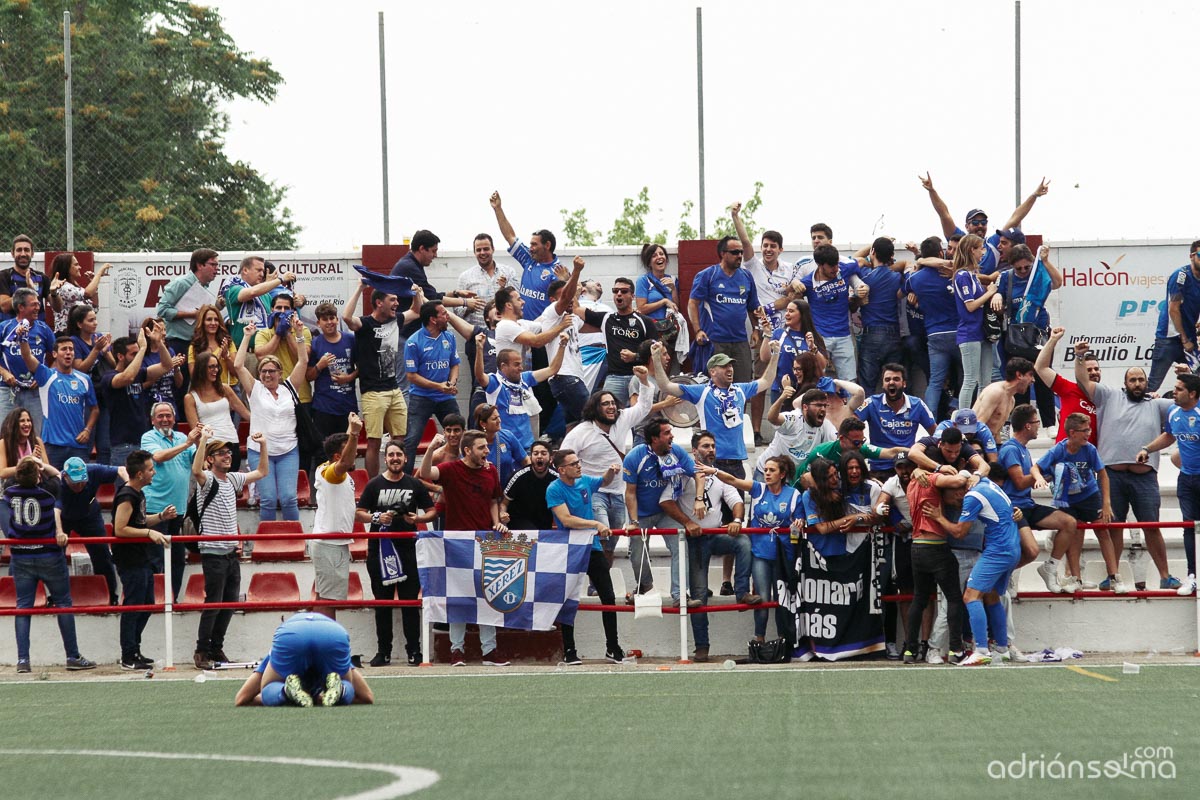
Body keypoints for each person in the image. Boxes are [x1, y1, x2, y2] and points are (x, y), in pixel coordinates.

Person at [419, 429, 510, 667]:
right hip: (456, 543)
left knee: (487, 596)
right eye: (481, 448)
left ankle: (489, 651)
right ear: (467, 450)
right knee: (458, 597)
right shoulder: (450, 470)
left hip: (484, 543)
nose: (487, 452)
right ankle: (456, 650)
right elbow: (425, 473)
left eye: (487, 447)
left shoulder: (491, 470)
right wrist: (430, 448)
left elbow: (493, 500)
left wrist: (496, 522)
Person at [922, 464, 1026, 666]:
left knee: (970, 596)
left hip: (997, 550)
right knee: (993, 596)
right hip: (1012, 549)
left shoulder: (973, 496)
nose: (959, 494)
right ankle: (1002, 648)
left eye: (959, 488)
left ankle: (980, 649)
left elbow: (960, 532)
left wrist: (939, 517)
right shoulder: (991, 485)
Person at [6, 457, 96, 673]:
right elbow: (57, 474)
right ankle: (72, 656)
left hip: (21, 557)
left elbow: (10, 481)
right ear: (38, 475)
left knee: (23, 607)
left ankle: (22, 661)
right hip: (48, 555)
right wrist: (39, 462)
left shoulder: (9, 493)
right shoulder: (50, 490)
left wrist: (26, 465)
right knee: (63, 603)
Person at [190, 427, 269, 669]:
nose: (228, 455)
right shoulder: (208, 478)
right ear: (210, 459)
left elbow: (262, 471)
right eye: (221, 453)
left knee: (229, 602)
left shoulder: (233, 478)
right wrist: (203, 440)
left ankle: (215, 647)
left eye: (229, 452)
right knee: (214, 603)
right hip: (213, 552)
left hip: (229, 552)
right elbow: (195, 470)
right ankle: (202, 651)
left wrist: (263, 445)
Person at [998, 405, 1099, 593]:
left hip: (1026, 505)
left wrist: (1052, 474)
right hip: (1014, 509)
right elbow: (1020, 482)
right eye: (1037, 422)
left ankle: (1050, 568)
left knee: (1069, 522)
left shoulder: (1023, 449)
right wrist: (1050, 474)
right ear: (1028, 426)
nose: (1039, 426)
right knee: (1031, 551)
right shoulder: (1011, 449)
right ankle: (1004, 574)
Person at [559, 369, 656, 565]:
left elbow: (644, 407)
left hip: (619, 493)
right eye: (605, 404)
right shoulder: (580, 432)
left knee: (611, 543)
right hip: (593, 493)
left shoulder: (622, 419)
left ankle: (602, 584)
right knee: (602, 534)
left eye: (613, 403)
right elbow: (562, 458)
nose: (611, 407)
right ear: (595, 409)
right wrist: (573, 488)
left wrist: (644, 381)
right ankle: (598, 583)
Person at [701, 455, 797, 644]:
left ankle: (784, 639)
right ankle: (758, 638)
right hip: (760, 553)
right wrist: (715, 471)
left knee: (782, 598)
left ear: (783, 474)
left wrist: (800, 522)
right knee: (761, 597)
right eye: (766, 470)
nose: (767, 474)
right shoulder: (759, 489)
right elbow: (734, 480)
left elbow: (800, 521)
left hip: (784, 555)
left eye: (772, 470)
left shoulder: (794, 495)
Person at [651, 341, 781, 482]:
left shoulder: (741, 389)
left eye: (730, 365)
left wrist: (775, 355)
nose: (730, 369)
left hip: (737, 462)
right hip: (712, 460)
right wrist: (656, 359)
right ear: (712, 371)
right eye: (724, 366)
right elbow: (666, 386)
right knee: (714, 504)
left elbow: (767, 381)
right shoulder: (702, 391)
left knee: (737, 504)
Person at [356, 440, 433, 667]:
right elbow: (359, 513)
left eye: (399, 454)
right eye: (391, 455)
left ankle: (414, 651)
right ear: (385, 459)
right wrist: (378, 518)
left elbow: (431, 510)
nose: (395, 458)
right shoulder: (373, 484)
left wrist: (417, 519)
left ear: (406, 458)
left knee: (410, 603)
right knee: (383, 603)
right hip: (379, 552)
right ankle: (384, 652)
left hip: (409, 551)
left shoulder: (415, 484)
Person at [546, 449, 626, 665]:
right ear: (561, 469)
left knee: (608, 597)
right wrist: (596, 524)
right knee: (568, 599)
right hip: (570, 549)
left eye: (578, 462)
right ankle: (569, 650)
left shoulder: (585, 482)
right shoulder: (554, 489)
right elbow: (567, 519)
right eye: (573, 464)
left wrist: (611, 471)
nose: (579, 466)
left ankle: (613, 647)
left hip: (593, 547)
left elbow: (604, 481)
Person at [680, 430, 754, 661]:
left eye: (713, 446)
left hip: (714, 535)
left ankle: (741, 591)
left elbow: (736, 502)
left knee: (742, 541)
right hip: (694, 540)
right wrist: (687, 522)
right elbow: (666, 502)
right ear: (694, 451)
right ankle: (702, 646)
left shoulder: (720, 475)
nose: (711, 450)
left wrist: (737, 520)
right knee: (699, 595)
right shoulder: (682, 474)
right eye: (705, 446)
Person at [233, 318, 309, 524]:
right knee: (266, 499)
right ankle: (266, 543)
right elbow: (238, 365)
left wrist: (300, 334)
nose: (267, 374)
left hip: (288, 451)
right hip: (260, 452)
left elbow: (303, 362)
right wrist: (247, 336)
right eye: (263, 371)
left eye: (272, 371)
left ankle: (295, 541)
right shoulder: (255, 390)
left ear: (280, 373)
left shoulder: (289, 388)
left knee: (288, 498)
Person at [621, 417, 703, 606]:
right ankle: (644, 585)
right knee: (637, 552)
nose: (672, 436)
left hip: (667, 511)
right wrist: (633, 521)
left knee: (680, 545)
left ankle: (680, 595)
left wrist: (699, 499)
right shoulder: (635, 457)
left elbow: (697, 473)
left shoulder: (677, 451)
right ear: (654, 439)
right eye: (667, 433)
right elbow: (630, 493)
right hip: (641, 513)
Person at [1030, 412, 1112, 593]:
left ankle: (1114, 576)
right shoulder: (1058, 450)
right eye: (1084, 430)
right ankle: (1076, 578)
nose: (1088, 433)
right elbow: (1036, 467)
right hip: (1066, 498)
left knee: (1102, 529)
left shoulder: (1089, 449)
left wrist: (1106, 503)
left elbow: (1103, 474)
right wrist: (1039, 478)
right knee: (1074, 531)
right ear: (1072, 433)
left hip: (1089, 495)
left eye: (1089, 429)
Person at [112, 449, 176, 670]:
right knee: (133, 606)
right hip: (130, 559)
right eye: (150, 469)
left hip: (141, 557)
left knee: (147, 604)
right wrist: (149, 533)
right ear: (140, 474)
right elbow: (120, 529)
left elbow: (138, 522)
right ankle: (128, 655)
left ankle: (134, 649)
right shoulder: (127, 495)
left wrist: (160, 518)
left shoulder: (137, 493)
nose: (154, 473)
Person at [901, 466, 971, 665]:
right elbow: (958, 481)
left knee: (919, 599)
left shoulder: (912, 485)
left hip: (916, 546)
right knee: (954, 599)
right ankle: (956, 649)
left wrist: (915, 470)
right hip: (936, 546)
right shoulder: (932, 480)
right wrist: (968, 474)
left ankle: (910, 650)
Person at [919, 172, 1051, 277]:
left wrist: (1035, 195)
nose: (980, 225)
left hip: (985, 298)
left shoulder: (992, 243)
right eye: (975, 222)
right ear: (967, 226)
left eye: (984, 222)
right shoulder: (961, 240)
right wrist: (932, 191)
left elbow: (1015, 218)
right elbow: (944, 215)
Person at [1139, 372, 1200, 595]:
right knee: (1188, 527)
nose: (1174, 392)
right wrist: (1147, 449)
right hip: (1186, 479)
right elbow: (1169, 436)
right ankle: (1192, 575)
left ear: (1192, 393)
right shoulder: (1174, 411)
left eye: (1179, 389)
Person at [234, 613, 374, 707]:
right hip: (331, 632)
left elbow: (241, 699)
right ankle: (342, 690)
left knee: (267, 688)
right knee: (345, 682)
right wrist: (320, 699)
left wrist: (283, 700)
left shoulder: (272, 656)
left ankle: (284, 692)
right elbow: (367, 697)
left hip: (292, 634)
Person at [343, 281, 409, 478]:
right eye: (393, 299)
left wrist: (416, 293)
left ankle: (397, 479)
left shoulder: (395, 319)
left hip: (394, 389)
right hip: (373, 392)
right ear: (379, 303)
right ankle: (374, 484)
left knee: (399, 439)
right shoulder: (365, 324)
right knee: (374, 441)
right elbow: (346, 317)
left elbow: (416, 311)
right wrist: (360, 288)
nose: (397, 303)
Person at [992, 243, 1062, 423]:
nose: (1023, 271)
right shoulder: (1005, 278)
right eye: (1019, 268)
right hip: (1016, 336)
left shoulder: (1038, 275)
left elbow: (1057, 282)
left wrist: (1045, 261)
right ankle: (1021, 422)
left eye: (1027, 267)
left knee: (1042, 375)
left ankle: (1048, 422)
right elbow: (994, 293)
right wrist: (997, 296)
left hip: (1038, 333)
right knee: (1019, 380)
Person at [142, 402, 205, 601]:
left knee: (178, 559)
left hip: (178, 509)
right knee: (155, 559)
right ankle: (153, 599)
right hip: (155, 508)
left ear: (174, 418)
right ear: (153, 420)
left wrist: (202, 441)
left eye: (168, 415)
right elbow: (158, 457)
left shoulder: (180, 437)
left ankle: (172, 598)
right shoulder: (149, 437)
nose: (164, 419)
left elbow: (199, 463)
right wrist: (188, 443)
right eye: (160, 416)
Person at [688, 235, 763, 387]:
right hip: (715, 341)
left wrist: (756, 329)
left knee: (742, 387)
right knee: (714, 387)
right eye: (735, 252)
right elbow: (692, 303)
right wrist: (698, 330)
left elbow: (753, 306)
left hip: (740, 341)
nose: (740, 256)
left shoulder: (746, 276)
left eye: (741, 252)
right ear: (723, 253)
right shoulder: (708, 275)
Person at [309, 414, 364, 619]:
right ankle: (326, 646)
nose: (356, 451)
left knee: (326, 596)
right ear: (336, 456)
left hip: (334, 542)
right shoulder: (329, 471)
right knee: (328, 599)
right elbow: (345, 461)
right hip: (329, 543)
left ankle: (320, 642)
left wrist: (375, 517)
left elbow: (350, 512)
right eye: (350, 446)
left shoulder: (342, 476)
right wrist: (355, 433)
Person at [18, 334, 97, 468]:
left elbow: (95, 409)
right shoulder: (46, 376)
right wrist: (22, 339)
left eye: (71, 349)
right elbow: (27, 357)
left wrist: (88, 430)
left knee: (79, 485)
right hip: (52, 446)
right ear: (54, 354)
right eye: (64, 349)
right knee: (53, 485)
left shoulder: (84, 379)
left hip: (78, 446)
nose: (68, 353)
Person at [57, 456, 127, 606]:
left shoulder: (94, 471)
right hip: (63, 517)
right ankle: (58, 594)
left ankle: (110, 593)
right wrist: (59, 532)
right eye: (76, 483)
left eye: (83, 481)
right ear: (65, 476)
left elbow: (121, 469)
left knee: (102, 553)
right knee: (56, 555)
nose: (80, 485)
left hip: (89, 514)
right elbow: (55, 511)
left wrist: (129, 488)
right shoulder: (57, 483)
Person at [582, 276, 658, 408]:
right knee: (607, 413)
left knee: (641, 417)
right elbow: (577, 310)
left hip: (639, 376)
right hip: (614, 377)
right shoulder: (606, 318)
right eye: (615, 290)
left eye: (623, 291)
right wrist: (574, 280)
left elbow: (657, 352)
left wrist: (635, 356)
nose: (619, 294)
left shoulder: (645, 321)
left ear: (632, 296)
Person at [101, 331, 174, 469]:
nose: (137, 357)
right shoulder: (109, 377)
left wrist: (159, 344)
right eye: (132, 354)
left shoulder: (139, 374)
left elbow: (167, 366)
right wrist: (142, 349)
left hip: (143, 441)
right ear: (120, 356)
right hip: (122, 445)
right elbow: (127, 378)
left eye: (137, 353)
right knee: (125, 488)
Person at [479, 335, 566, 450]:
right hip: (505, 447)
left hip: (527, 447)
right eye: (516, 364)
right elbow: (480, 375)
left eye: (520, 364)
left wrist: (562, 345)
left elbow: (552, 369)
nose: (521, 368)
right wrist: (479, 349)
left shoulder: (524, 379)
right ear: (503, 366)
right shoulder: (495, 383)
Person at [795, 244, 867, 382]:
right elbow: (789, 295)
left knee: (850, 382)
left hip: (844, 336)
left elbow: (862, 261)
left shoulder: (845, 268)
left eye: (837, 264)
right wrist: (794, 283)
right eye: (831, 266)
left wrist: (862, 288)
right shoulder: (808, 282)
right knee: (815, 380)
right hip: (820, 338)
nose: (836, 269)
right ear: (820, 265)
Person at [907, 236, 961, 418]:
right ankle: (958, 413)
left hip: (935, 334)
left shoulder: (915, 278)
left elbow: (904, 289)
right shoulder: (953, 272)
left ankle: (928, 420)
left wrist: (919, 263)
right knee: (966, 377)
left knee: (935, 382)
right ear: (940, 253)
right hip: (960, 333)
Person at [403, 301, 461, 470]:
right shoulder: (413, 342)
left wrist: (451, 383)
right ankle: (406, 482)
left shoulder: (449, 337)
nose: (447, 316)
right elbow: (411, 376)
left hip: (446, 397)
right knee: (411, 440)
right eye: (443, 314)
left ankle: (461, 474)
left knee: (461, 436)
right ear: (433, 319)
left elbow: (455, 364)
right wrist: (438, 386)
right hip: (421, 397)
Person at [158, 248, 221, 399]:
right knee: (179, 386)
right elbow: (162, 309)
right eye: (213, 265)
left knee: (196, 385)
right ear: (200, 265)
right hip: (178, 343)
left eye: (217, 265)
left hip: (196, 343)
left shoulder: (204, 288)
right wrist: (192, 314)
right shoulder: (181, 283)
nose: (216, 269)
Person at [855, 363, 935, 480]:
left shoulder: (917, 404)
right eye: (887, 379)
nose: (891, 382)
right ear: (883, 384)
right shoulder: (872, 403)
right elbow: (849, 425)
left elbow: (936, 434)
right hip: (879, 469)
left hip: (909, 467)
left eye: (896, 379)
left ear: (904, 384)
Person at [489, 191, 560, 323]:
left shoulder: (558, 272)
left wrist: (567, 281)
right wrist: (498, 209)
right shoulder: (529, 259)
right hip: (522, 329)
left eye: (534, 244)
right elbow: (510, 236)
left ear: (547, 245)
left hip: (543, 332)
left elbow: (564, 304)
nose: (530, 248)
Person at [534, 258, 588, 429]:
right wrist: (577, 271)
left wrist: (569, 278)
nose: (570, 299)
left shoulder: (572, 319)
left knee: (573, 428)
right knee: (596, 420)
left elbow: (575, 303)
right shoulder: (550, 314)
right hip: (566, 378)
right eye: (565, 296)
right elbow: (566, 297)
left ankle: (570, 455)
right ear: (552, 300)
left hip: (571, 379)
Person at [951, 234, 997, 410]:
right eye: (980, 248)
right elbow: (970, 306)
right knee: (970, 379)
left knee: (985, 381)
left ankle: (980, 416)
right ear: (972, 250)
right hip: (969, 332)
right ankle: (963, 419)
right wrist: (989, 293)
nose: (982, 252)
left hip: (981, 332)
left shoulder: (973, 275)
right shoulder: (962, 276)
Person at [1147, 240, 1200, 394]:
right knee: (1153, 384)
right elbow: (1173, 309)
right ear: (1192, 256)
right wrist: (1185, 340)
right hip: (1169, 338)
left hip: (1188, 338)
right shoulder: (1181, 276)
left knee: (1196, 382)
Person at [0, 287, 56, 430]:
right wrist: (4, 373)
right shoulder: (4, 328)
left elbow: (57, 356)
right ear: (20, 307)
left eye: (38, 304)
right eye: (34, 304)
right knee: (5, 433)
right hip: (8, 390)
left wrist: (44, 375)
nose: (38, 307)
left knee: (36, 434)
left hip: (35, 392)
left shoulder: (44, 329)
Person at [184, 351, 250, 472]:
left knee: (231, 487)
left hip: (231, 442)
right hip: (211, 446)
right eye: (211, 367)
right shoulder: (190, 397)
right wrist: (203, 457)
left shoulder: (225, 389)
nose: (215, 370)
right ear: (201, 369)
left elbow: (245, 414)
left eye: (216, 366)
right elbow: (196, 430)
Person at [759, 384, 837, 481]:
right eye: (818, 405)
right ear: (805, 407)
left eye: (825, 406)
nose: (823, 409)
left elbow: (838, 443)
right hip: (766, 472)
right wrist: (782, 398)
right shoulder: (794, 419)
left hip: (792, 478)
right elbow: (772, 418)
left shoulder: (825, 425)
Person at [795, 417, 908, 482]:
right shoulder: (822, 452)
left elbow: (891, 452)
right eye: (856, 442)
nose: (859, 446)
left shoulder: (862, 448)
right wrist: (827, 495)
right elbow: (806, 479)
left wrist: (916, 453)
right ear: (842, 439)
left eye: (862, 441)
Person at [1035, 327, 1097, 444]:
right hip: (1064, 458)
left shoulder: (1106, 398)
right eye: (1089, 369)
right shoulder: (1068, 389)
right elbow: (1041, 368)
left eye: (1096, 369)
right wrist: (1053, 340)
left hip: (1092, 459)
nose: (1094, 372)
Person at [307, 301, 358, 443]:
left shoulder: (351, 340)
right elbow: (308, 376)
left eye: (332, 318)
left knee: (347, 449)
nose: (329, 322)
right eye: (325, 319)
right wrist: (320, 365)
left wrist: (348, 378)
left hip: (347, 405)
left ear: (337, 319)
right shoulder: (315, 343)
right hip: (323, 407)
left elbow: (363, 368)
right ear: (318, 323)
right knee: (324, 449)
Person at [223, 255, 294, 348]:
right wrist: (281, 279)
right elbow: (252, 292)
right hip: (243, 351)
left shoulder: (266, 295)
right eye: (258, 270)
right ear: (245, 270)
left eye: (263, 271)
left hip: (265, 350)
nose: (261, 274)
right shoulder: (233, 288)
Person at [0, 408, 49, 537]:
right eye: (22, 421)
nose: (27, 424)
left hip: (33, 494)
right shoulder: (4, 443)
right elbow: (3, 472)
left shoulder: (37, 442)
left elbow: (47, 469)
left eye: (28, 420)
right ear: (14, 424)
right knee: (13, 535)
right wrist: (29, 460)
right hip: (7, 497)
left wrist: (37, 462)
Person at [457, 233, 517, 327]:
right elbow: (457, 312)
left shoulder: (508, 272)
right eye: (478, 250)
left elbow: (517, 304)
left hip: (505, 332)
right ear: (474, 252)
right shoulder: (465, 277)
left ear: (493, 249)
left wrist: (504, 289)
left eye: (486, 249)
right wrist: (469, 307)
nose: (482, 252)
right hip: (478, 335)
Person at [972, 357, 1036, 439]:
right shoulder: (995, 392)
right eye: (1030, 375)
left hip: (990, 443)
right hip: (977, 443)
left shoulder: (1011, 400)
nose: (1033, 380)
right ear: (1019, 375)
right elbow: (978, 425)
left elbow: (996, 431)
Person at [472, 403, 528, 491]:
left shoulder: (507, 436)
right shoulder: (471, 442)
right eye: (494, 419)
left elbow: (525, 460)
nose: (499, 421)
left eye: (499, 417)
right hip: (482, 493)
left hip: (508, 491)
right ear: (483, 424)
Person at [502, 441, 557, 530]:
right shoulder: (518, 476)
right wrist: (502, 514)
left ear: (550, 458)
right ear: (531, 458)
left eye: (543, 453)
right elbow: (504, 503)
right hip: (519, 520)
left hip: (544, 521)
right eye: (535, 454)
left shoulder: (556, 477)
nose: (539, 456)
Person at [48, 253, 108, 333]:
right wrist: (99, 274)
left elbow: (94, 308)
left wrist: (94, 288)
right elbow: (87, 294)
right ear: (66, 268)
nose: (80, 267)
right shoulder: (64, 287)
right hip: (67, 335)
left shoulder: (76, 288)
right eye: (76, 265)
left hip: (79, 335)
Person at [187, 304, 238, 394]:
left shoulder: (228, 342)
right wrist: (214, 361)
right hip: (205, 391)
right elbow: (193, 376)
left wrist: (226, 357)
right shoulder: (195, 347)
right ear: (202, 322)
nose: (213, 323)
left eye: (216, 320)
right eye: (209, 319)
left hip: (230, 389)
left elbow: (236, 373)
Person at [0, 235, 50, 321]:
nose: (23, 254)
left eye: (27, 250)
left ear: (32, 253)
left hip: (37, 331)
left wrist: (54, 293)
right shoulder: (4, 276)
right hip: (11, 331)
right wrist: (28, 290)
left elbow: (58, 307)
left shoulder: (41, 277)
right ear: (12, 253)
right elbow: (4, 307)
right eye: (19, 250)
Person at [931, 408, 999, 464]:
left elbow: (993, 459)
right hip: (948, 461)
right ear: (955, 425)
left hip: (976, 462)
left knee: (976, 447)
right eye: (965, 432)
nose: (968, 435)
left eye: (970, 431)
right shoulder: (944, 427)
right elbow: (933, 448)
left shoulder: (983, 429)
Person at [634, 243, 680, 321]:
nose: (659, 257)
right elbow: (641, 309)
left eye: (661, 254)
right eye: (654, 256)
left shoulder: (673, 280)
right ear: (649, 263)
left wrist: (673, 289)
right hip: (651, 328)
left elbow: (677, 308)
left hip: (670, 328)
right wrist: (664, 301)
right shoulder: (643, 280)